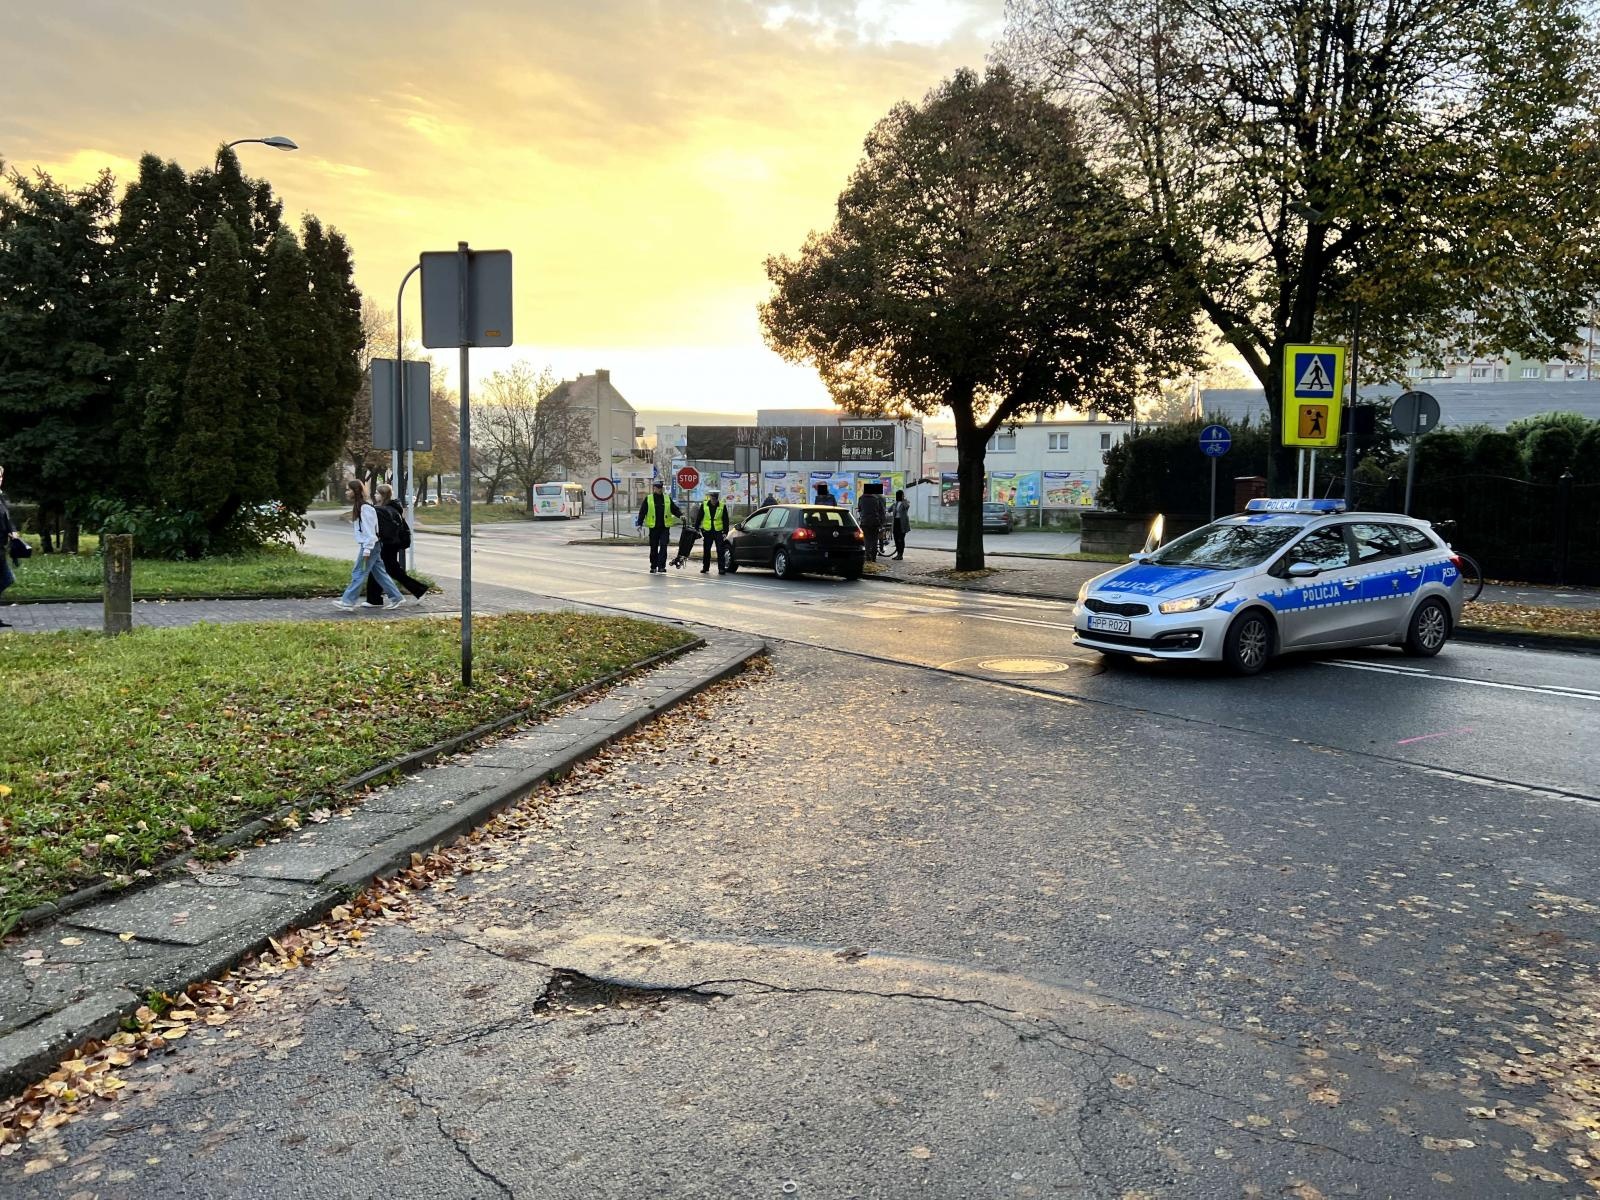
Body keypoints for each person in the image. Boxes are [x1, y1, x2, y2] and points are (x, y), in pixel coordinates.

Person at [333, 479, 409, 612]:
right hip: (372, 545)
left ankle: (348, 601)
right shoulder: (360, 507)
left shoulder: (365, 508)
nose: (346, 492)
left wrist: (367, 549)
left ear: (355, 491)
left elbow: (371, 531)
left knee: (359, 572)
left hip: (370, 546)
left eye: (349, 489)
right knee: (379, 573)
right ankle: (396, 597)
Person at [364, 483, 429, 605]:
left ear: (383, 495)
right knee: (381, 569)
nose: (375, 495)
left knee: (389, 570)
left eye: (377, 493)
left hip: (388, 544)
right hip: (392, 543)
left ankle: (419, 589)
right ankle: (374, 599)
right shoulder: (392, 507)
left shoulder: (385, 510)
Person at [634, 480, 681, 573]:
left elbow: (674, 509)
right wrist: (639, 523)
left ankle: (661, 566)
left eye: (661, 487)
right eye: (658, 487)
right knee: (654, 547)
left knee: (664, 546)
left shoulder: (667, 498)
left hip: (664, 527)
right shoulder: (649, 499)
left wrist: (681, 515)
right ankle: (653, 566)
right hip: (654, 528)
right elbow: (642, 511)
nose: (660, 489)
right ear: (654, 488)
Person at [698, 488, 731, 574]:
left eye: (715, 499)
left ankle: (721, 569)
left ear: (717, 498)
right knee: (706, 550)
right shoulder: (704, 505)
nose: (714, 501)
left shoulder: (722, 506)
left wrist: (725, 532)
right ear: (710, 497)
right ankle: (705, 567)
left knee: (720, 550)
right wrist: (696, 528)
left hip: (718, 531)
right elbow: (699, 517)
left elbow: (725, 520)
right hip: (707, 531)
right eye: (712, 499)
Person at [0, 465, 17, 627]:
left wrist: (12, 530)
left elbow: (6, 517)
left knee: (6, 579)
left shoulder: (1, 497)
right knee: (6, 578)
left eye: (0, 477)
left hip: (1, 546)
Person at [857, 482, 885, 563]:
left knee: (866, 539)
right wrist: (881, 522)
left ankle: (867, 556)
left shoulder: (861, 498)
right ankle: (873, 557)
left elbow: (859, 509)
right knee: (874, 540)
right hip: (875, 522)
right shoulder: (876, 499)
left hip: (865, 522)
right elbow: (881, 510)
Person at [890, 488, 911, 560]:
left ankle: (900, 554)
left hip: (902, 523)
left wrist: (904, 500)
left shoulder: (905, 502)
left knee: (901, 539)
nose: (902, 496)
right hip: (896, 522)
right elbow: (889, 509)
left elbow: (907, 506)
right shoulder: (895, 503)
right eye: (901, 495)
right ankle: (898, 554)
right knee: (896, 538)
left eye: (903, 495)